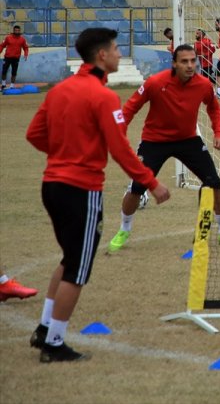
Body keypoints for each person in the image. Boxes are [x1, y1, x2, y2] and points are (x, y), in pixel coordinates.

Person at [26, 27, 170, 363]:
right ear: (101, 55)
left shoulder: (60, 90)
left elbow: (35, 134)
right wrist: (152, 182)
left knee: (69, 258)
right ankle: (55, 343)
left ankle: (45, 329)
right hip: (81, 189)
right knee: (78, 269)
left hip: (52, 185)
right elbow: (120, 148)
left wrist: (61, 154)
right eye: (117, 49)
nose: (120, 54)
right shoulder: (103, 96)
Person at [107, 43, 220, 253]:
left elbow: (213, 108)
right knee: (137, 187)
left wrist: (219, 133)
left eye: (192, 61)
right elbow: (131, 107)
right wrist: (119, 134)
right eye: (184, 61)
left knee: (214, 183)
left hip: (189, 140)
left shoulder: (204, 84)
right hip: (154, 141)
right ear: (174, 64)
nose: (190, 65)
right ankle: (124, 229)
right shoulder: (155, 82)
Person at [1, 24, 28, 90]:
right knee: (4, 71)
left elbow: (25, 47)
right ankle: (3, 85)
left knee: (14, 72)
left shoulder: (22, 39)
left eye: (18, 30)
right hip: (7, 57)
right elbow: (2, 45)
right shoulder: (8, 38)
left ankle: (12, 86)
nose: (17, 32)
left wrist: (26, 54)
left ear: (19, 31)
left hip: (16, 58)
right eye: (16, 30)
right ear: (13, 31)